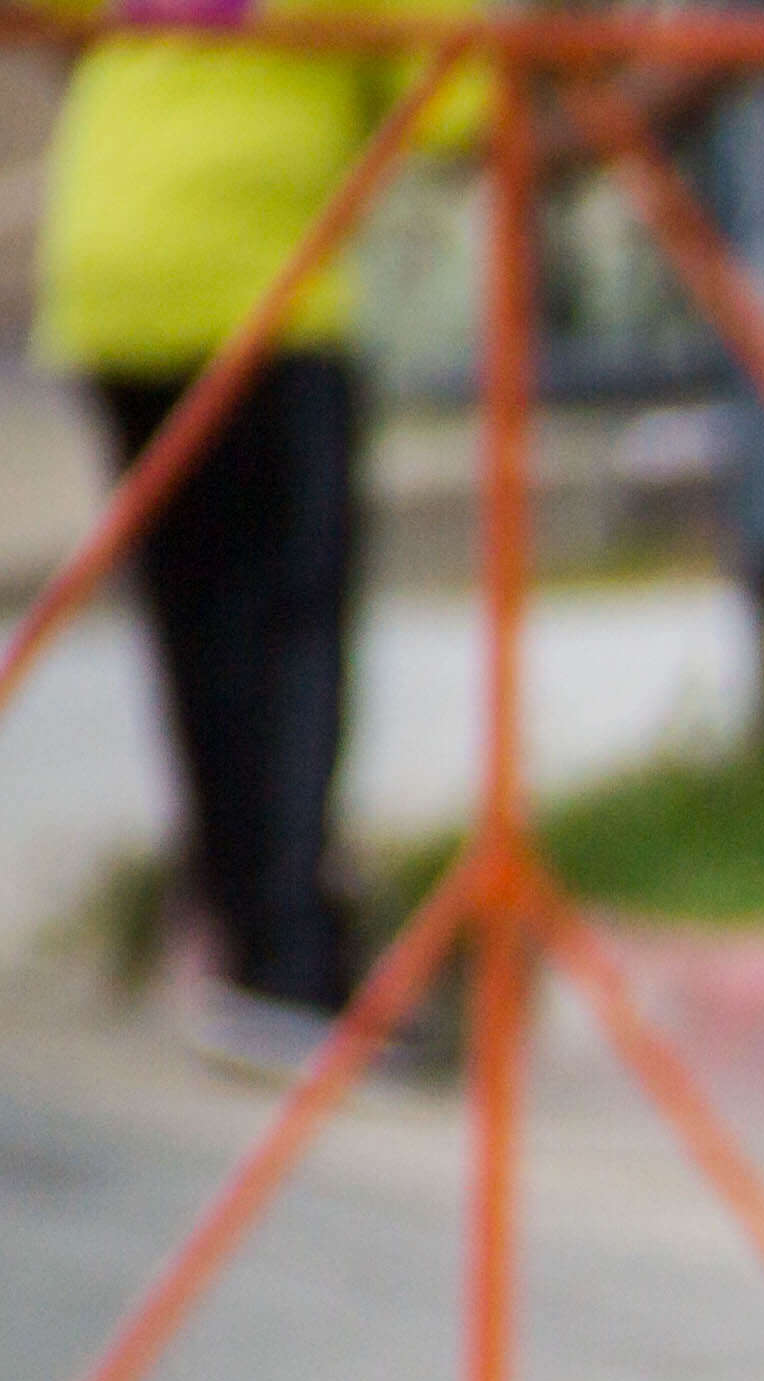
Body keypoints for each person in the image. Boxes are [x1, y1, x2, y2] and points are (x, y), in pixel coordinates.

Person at [31, 0, 486, 1077]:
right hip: (262, 284)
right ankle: (285, 965)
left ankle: (235, 928)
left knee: (200, 622)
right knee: (289, 623)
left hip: (111, 259)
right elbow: (463, 104)